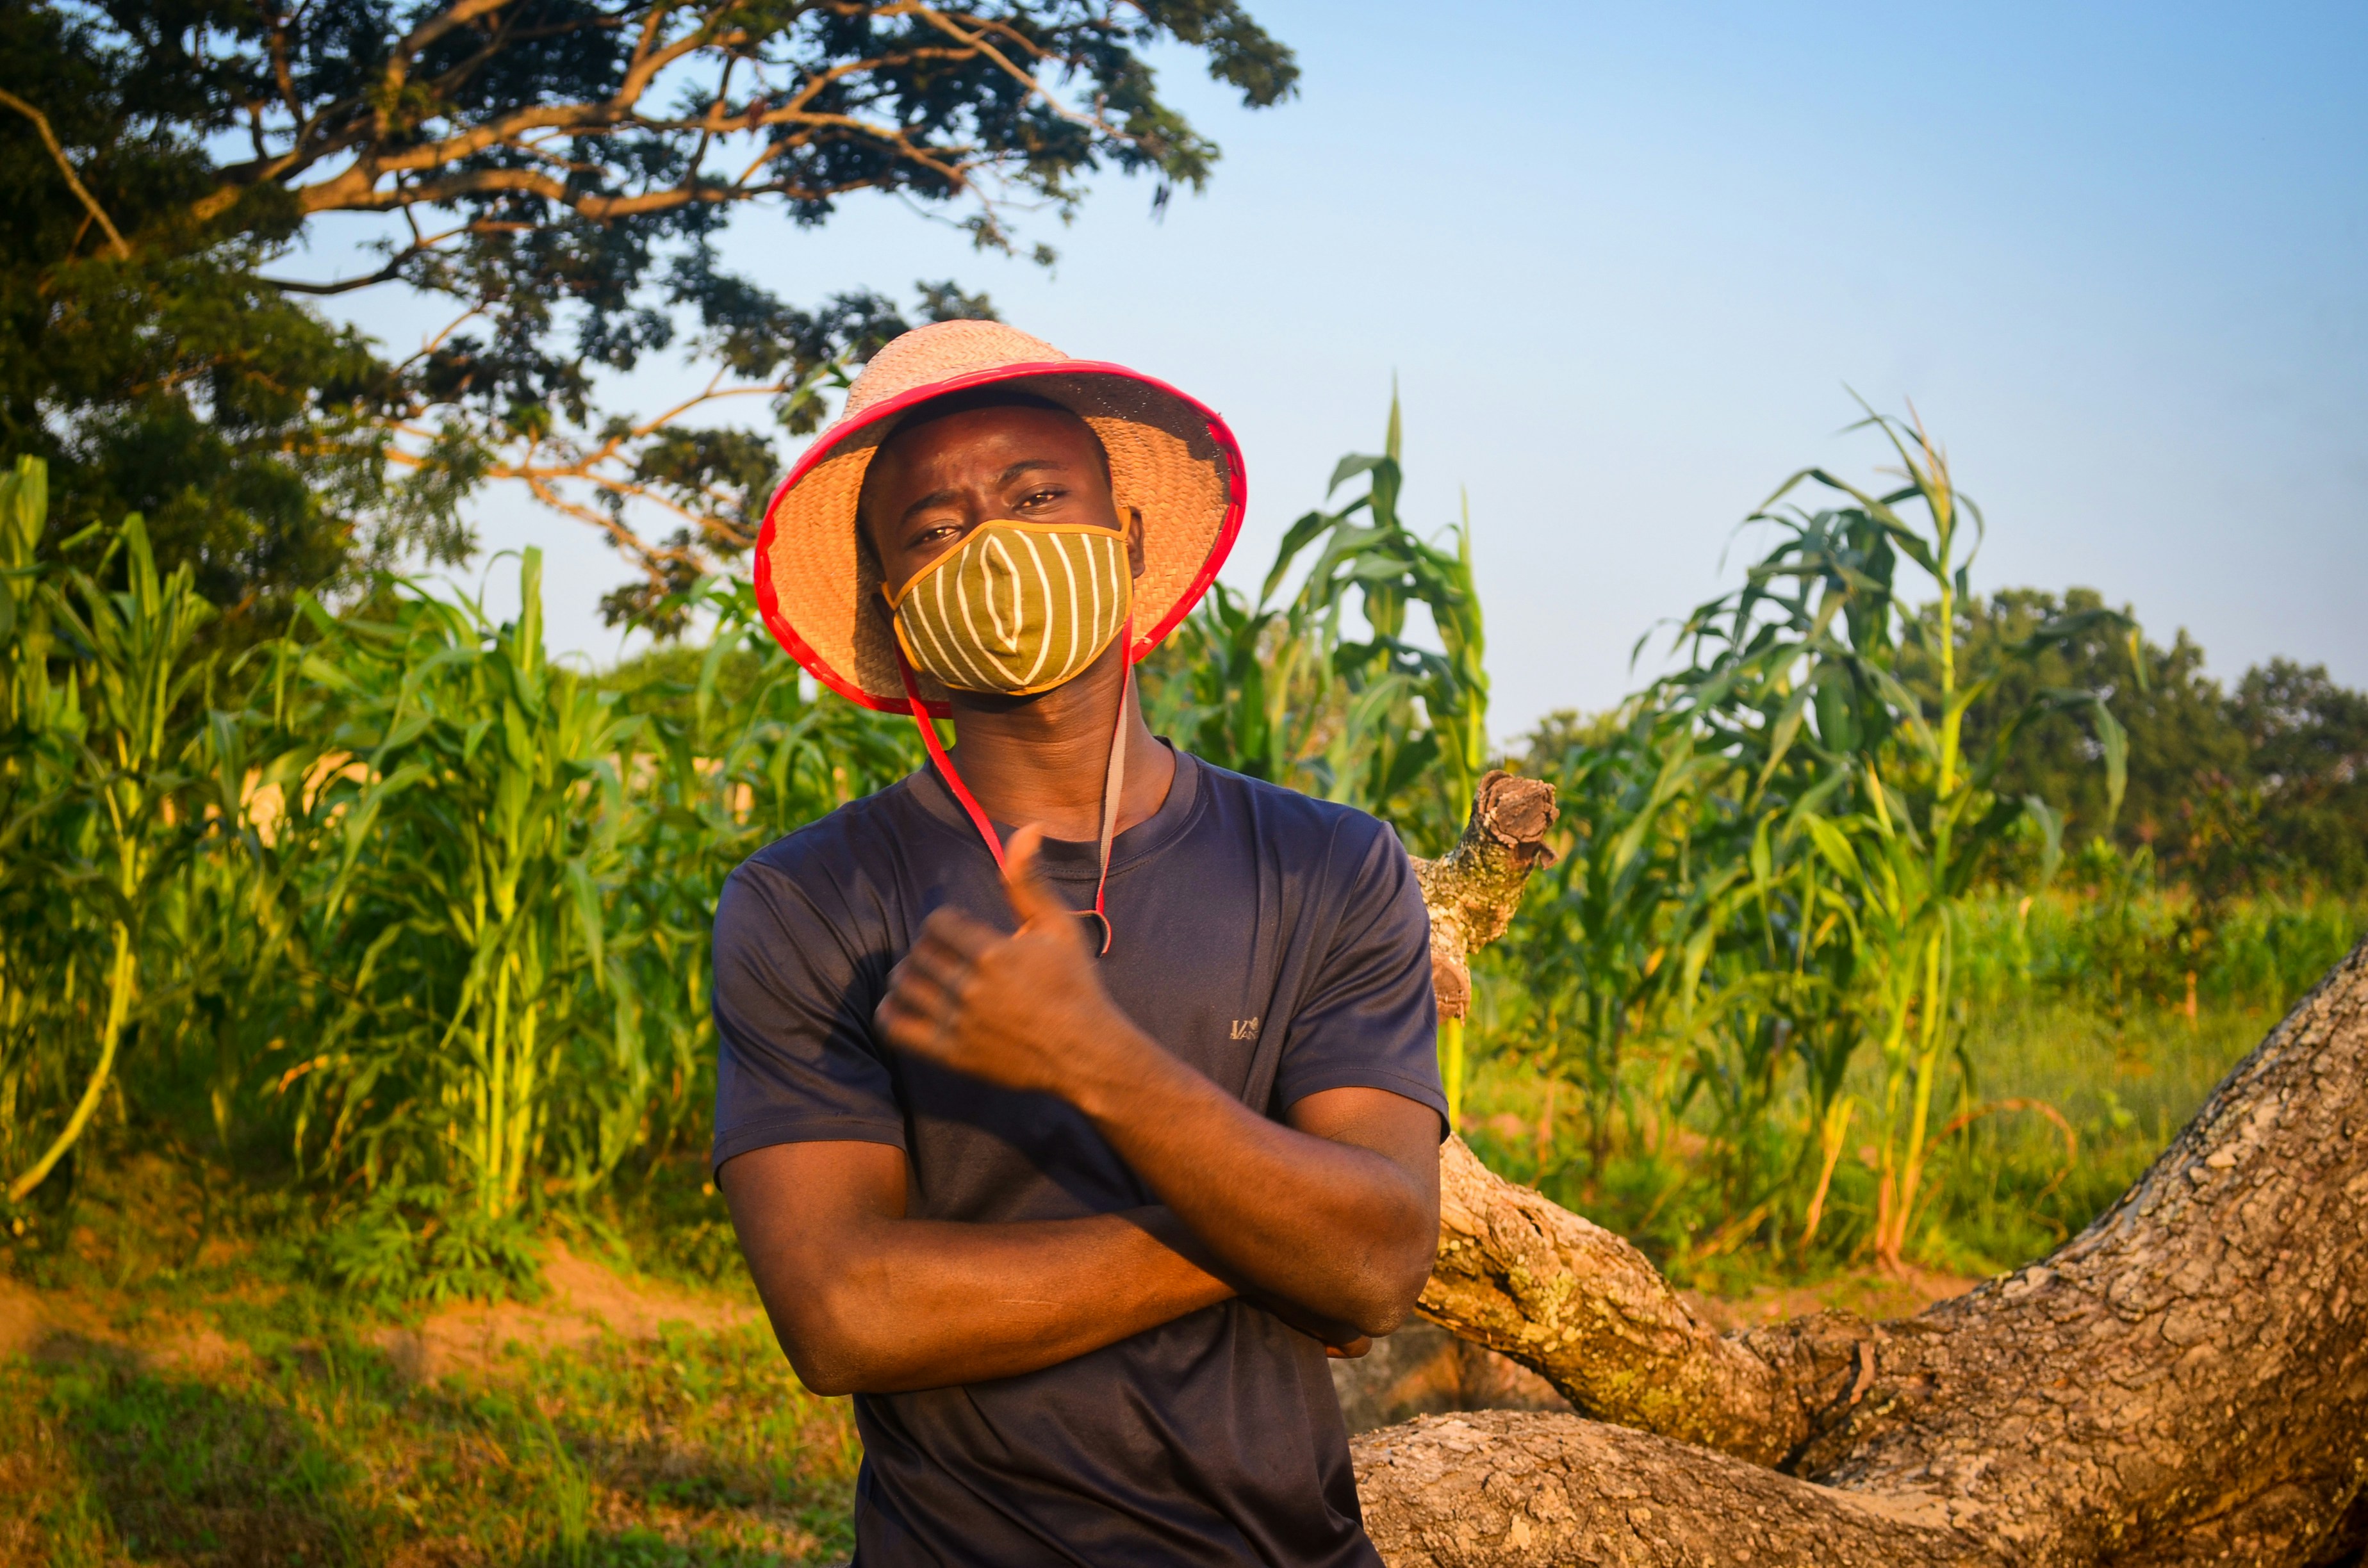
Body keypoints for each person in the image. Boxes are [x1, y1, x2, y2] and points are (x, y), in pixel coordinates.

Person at [712, 320, 1446, 1567]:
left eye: (1038, 496)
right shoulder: (809, 903)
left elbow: (1377, 1264)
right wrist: (1267, 1251)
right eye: (935, 531)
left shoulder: (1328, 865)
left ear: (1131, 540)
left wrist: (1093, 1059)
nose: (992, 545)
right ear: (899, 615)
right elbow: (842, 1313)